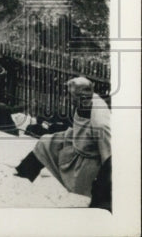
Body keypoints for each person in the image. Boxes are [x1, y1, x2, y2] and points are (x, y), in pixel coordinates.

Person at [14, 77, 111, 207]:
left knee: (81, 193)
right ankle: (22, 176)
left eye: (71, 96)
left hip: (90, 155)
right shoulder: (86, 100)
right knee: (46, 143)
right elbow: (80, 126)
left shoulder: (100, 120)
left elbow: (108, 152)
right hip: (76, 139)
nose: (70, 99)